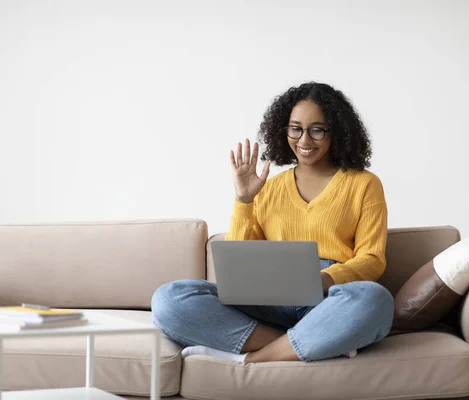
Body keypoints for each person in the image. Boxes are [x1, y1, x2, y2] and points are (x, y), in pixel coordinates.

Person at [151, 82, 394, 364]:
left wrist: (324, 278)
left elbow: (372, 260)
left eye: (317, 129)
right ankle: (312, 341)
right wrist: (244, 199)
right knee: (169, 298)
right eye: (295, 128)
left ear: (336, 132)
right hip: (269, 300)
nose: (304, 140)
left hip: (327, 299)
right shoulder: (267, 187)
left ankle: (254, 358)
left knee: (375, 300)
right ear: (284, 130)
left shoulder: (364, 184)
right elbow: (239, 266)